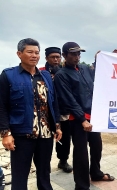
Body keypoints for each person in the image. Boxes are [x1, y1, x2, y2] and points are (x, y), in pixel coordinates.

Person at [0, 38, 62, 190]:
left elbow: (53, 102)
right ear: (19, 54)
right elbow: (1, 106)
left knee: (44, 174)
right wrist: (5, 133)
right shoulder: (9, 75)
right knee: (20, 176)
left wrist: (57, 126)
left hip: (45, 135)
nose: (34, 55)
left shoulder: (46, 76)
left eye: (37, 52)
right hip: (22, 135)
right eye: (30, 52)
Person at [54, 42, 114, 190]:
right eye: (73, 54)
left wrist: (98, 60)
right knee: (81, 153)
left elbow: (98, 76)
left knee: (97, 146)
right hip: (78, 120)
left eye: (78, 54)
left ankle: (96, 173)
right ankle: (81, 185)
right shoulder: (61, 75)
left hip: (93, 116)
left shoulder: (84, 68)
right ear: (65, 55)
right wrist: (82, 119)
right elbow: (69, 100)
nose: (77, 57)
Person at [44, 47, 73, 173]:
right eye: (52, 57)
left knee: (65, 138)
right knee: (45, 140)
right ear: (46, 58)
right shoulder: (41, 72)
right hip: (46, 113)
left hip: (63, 111)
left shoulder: (64, 72)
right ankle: (45, 164)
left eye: (58, 57)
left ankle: (63, 161)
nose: (56, 60)